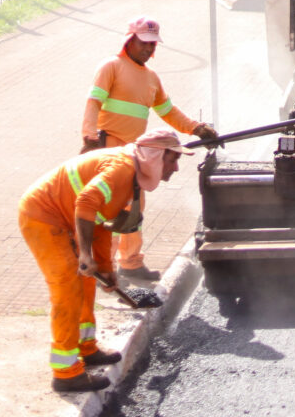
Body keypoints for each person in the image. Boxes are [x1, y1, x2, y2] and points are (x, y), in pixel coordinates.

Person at [19, 129, 192, 393]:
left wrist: (106, 269)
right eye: (173, 159)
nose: (176, 168)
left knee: (86, 281)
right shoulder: (121, 169)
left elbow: (99, 223)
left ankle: (86, 348)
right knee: (67, 286)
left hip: (68, 218)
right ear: (156, 156)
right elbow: (86, 202)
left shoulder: (132, 173)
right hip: (43, 216)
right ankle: (65, 374)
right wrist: (86, 256)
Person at [81, 16, 216, 281]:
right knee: (106, 207)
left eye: (153, 45)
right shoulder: (111, 66)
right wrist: (89, 136)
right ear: (130, 40)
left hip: (133, 153)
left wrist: (197, 128)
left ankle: (130, 264)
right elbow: (93, 102)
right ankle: (101, 264)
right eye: (144, 43)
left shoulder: (151, 78)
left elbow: (168, 111)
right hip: (108, 147)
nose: (149, 49)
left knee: (134, 209)